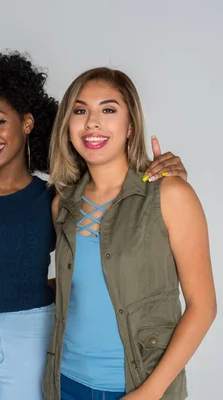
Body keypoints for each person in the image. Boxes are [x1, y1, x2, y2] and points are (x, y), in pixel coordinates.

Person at [0, 51, 188, 400]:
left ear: (28, 122)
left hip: (34, 332)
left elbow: (99, 261)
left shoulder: (54, 198)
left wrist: (165, 179)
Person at [43, 67, 216, 400]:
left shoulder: (170, 195)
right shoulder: (62, 205)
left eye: (108, 110)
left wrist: (149, 393)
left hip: (139, 385)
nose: (92, 122)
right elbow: (80, 285)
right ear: (67, 126)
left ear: (130, 126)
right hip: (66, 383)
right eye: (80, 111)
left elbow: (203, 306)